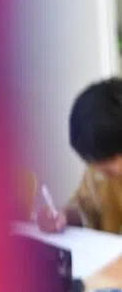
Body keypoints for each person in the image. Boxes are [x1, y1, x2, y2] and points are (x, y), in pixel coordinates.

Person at [36, 78, 122, 234]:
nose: (99, 170)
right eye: (93, 161)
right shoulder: (97, 172)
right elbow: (86, 208)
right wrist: (63, 216)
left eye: (107, 163)